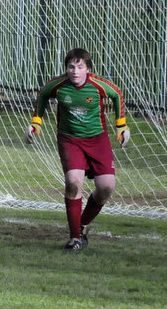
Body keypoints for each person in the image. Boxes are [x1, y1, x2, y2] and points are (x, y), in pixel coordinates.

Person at [25, 47, 130, 252]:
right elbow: (43, 94)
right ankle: (74, 239)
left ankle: (81, 225)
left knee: (106, 187)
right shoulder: (58, 85)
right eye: (71, 67)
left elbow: (117, 94)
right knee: (73, 183)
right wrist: (35, 123)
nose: (74, 71)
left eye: (79, 67)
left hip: (98, 140)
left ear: (87, 69)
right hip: (70, 140)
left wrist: (121, 125)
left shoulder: (98, 85)